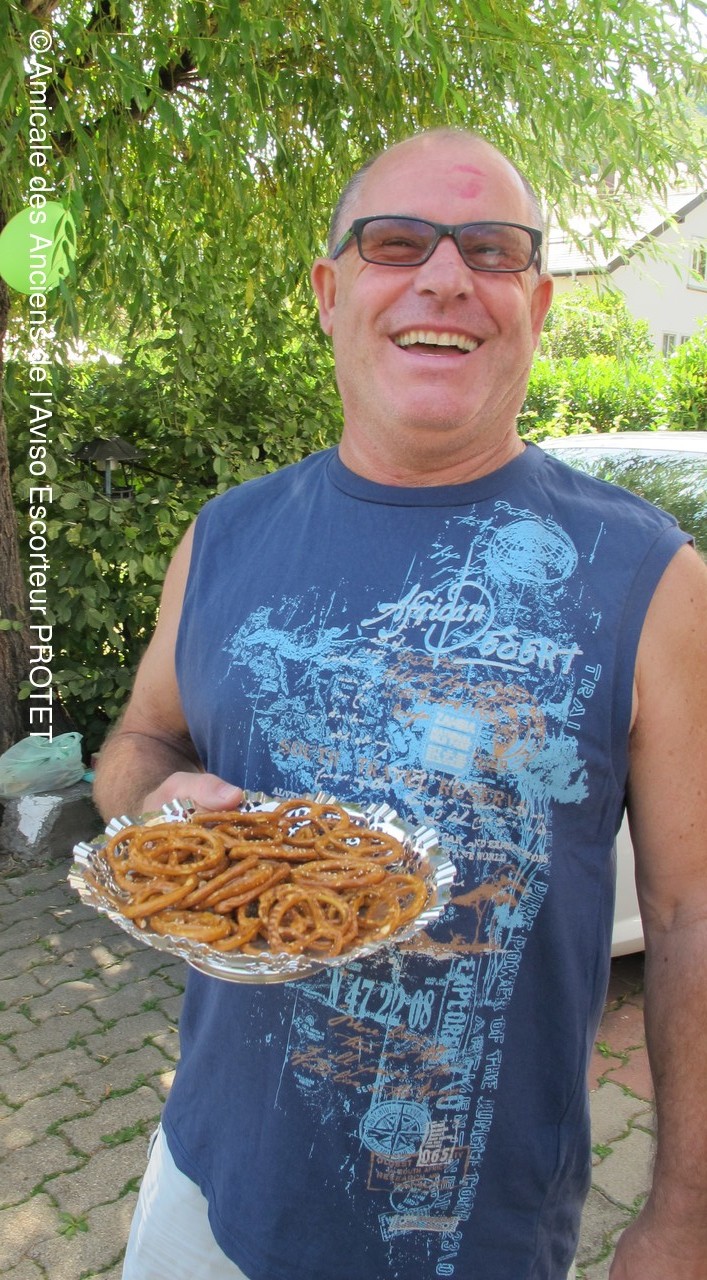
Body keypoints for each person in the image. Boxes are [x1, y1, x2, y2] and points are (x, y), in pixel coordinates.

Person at [94, 128, 707, 1280]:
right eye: (394, 242)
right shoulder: (223, 537)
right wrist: (154, 794)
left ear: (536, 303)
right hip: (201, 1192)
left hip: (462, 1238)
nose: (443, 277)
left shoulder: (653, 579)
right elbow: (136, 737)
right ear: (330, 293)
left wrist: (686, 1217)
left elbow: (689, 915)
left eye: (490, 248)